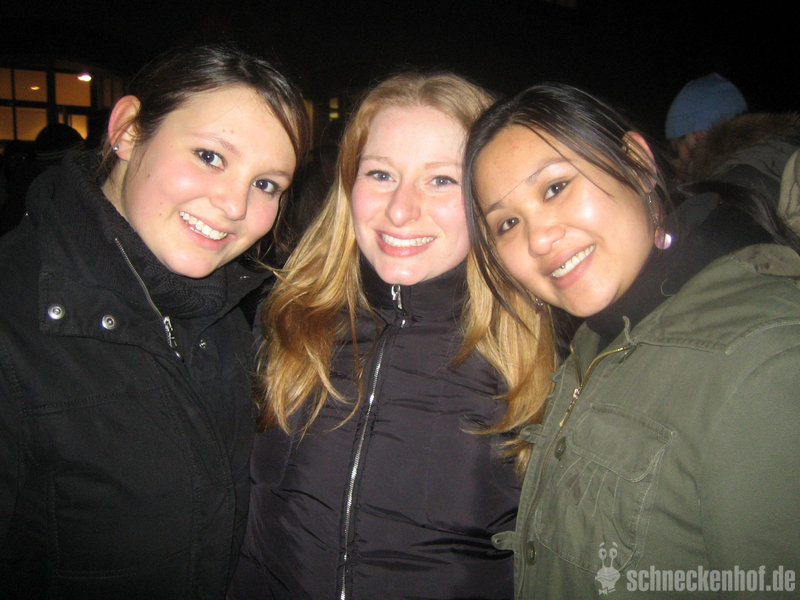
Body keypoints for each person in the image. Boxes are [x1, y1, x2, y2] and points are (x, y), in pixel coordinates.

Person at [463, 82, 800, 598]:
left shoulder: (763, 360)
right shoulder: (598, 339)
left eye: (555, 188)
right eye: (507, 222)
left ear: (638, 164)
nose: (538, 239)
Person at [0, 42, 309, 599]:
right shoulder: (14, 315)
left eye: (266, 184)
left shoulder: (228, 316)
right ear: (127, 130)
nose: (235, 206)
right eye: (210, 156)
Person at [230, 72, 555, 600]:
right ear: (348, 185)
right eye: (380, 174)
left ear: (486, 196)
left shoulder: (537, 359)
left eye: (441, 180)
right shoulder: (284, 322)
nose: (401, 210)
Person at [665, 72, 748, 182]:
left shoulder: (721, 186)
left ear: (698, 135)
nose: (678, 164)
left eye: (676, 152)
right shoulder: (756, 165)